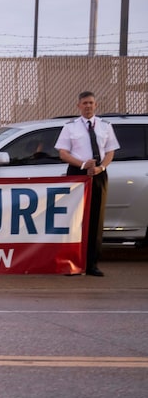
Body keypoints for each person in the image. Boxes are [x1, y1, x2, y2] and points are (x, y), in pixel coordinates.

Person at [55, 91, 119, 277]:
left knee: (95, 219)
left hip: (98, 174)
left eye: (91, 103)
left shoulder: (105, 126)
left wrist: (101, 168)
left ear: (96, 105)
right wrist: (83, 165)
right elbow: (63, 153)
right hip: (77, 173)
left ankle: (92, 264)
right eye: (84, 103)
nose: (88, 106)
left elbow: (110, 152)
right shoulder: (70, 127)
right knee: (74, 218)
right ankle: (72, 263)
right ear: (78, 106)